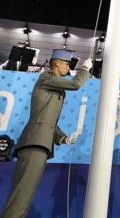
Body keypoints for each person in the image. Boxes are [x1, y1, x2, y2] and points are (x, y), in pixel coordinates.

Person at [0, 49, 92, 218]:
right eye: (66, 64)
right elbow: (76, 84)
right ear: (56, 63)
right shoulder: (46, 77)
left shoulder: (54, 85)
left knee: (25, 195)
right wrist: (85, 70)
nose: (68, 68)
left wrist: (63, 138)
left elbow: (48, 120)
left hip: (40, 144)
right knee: (22, 195)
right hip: (34, 143)